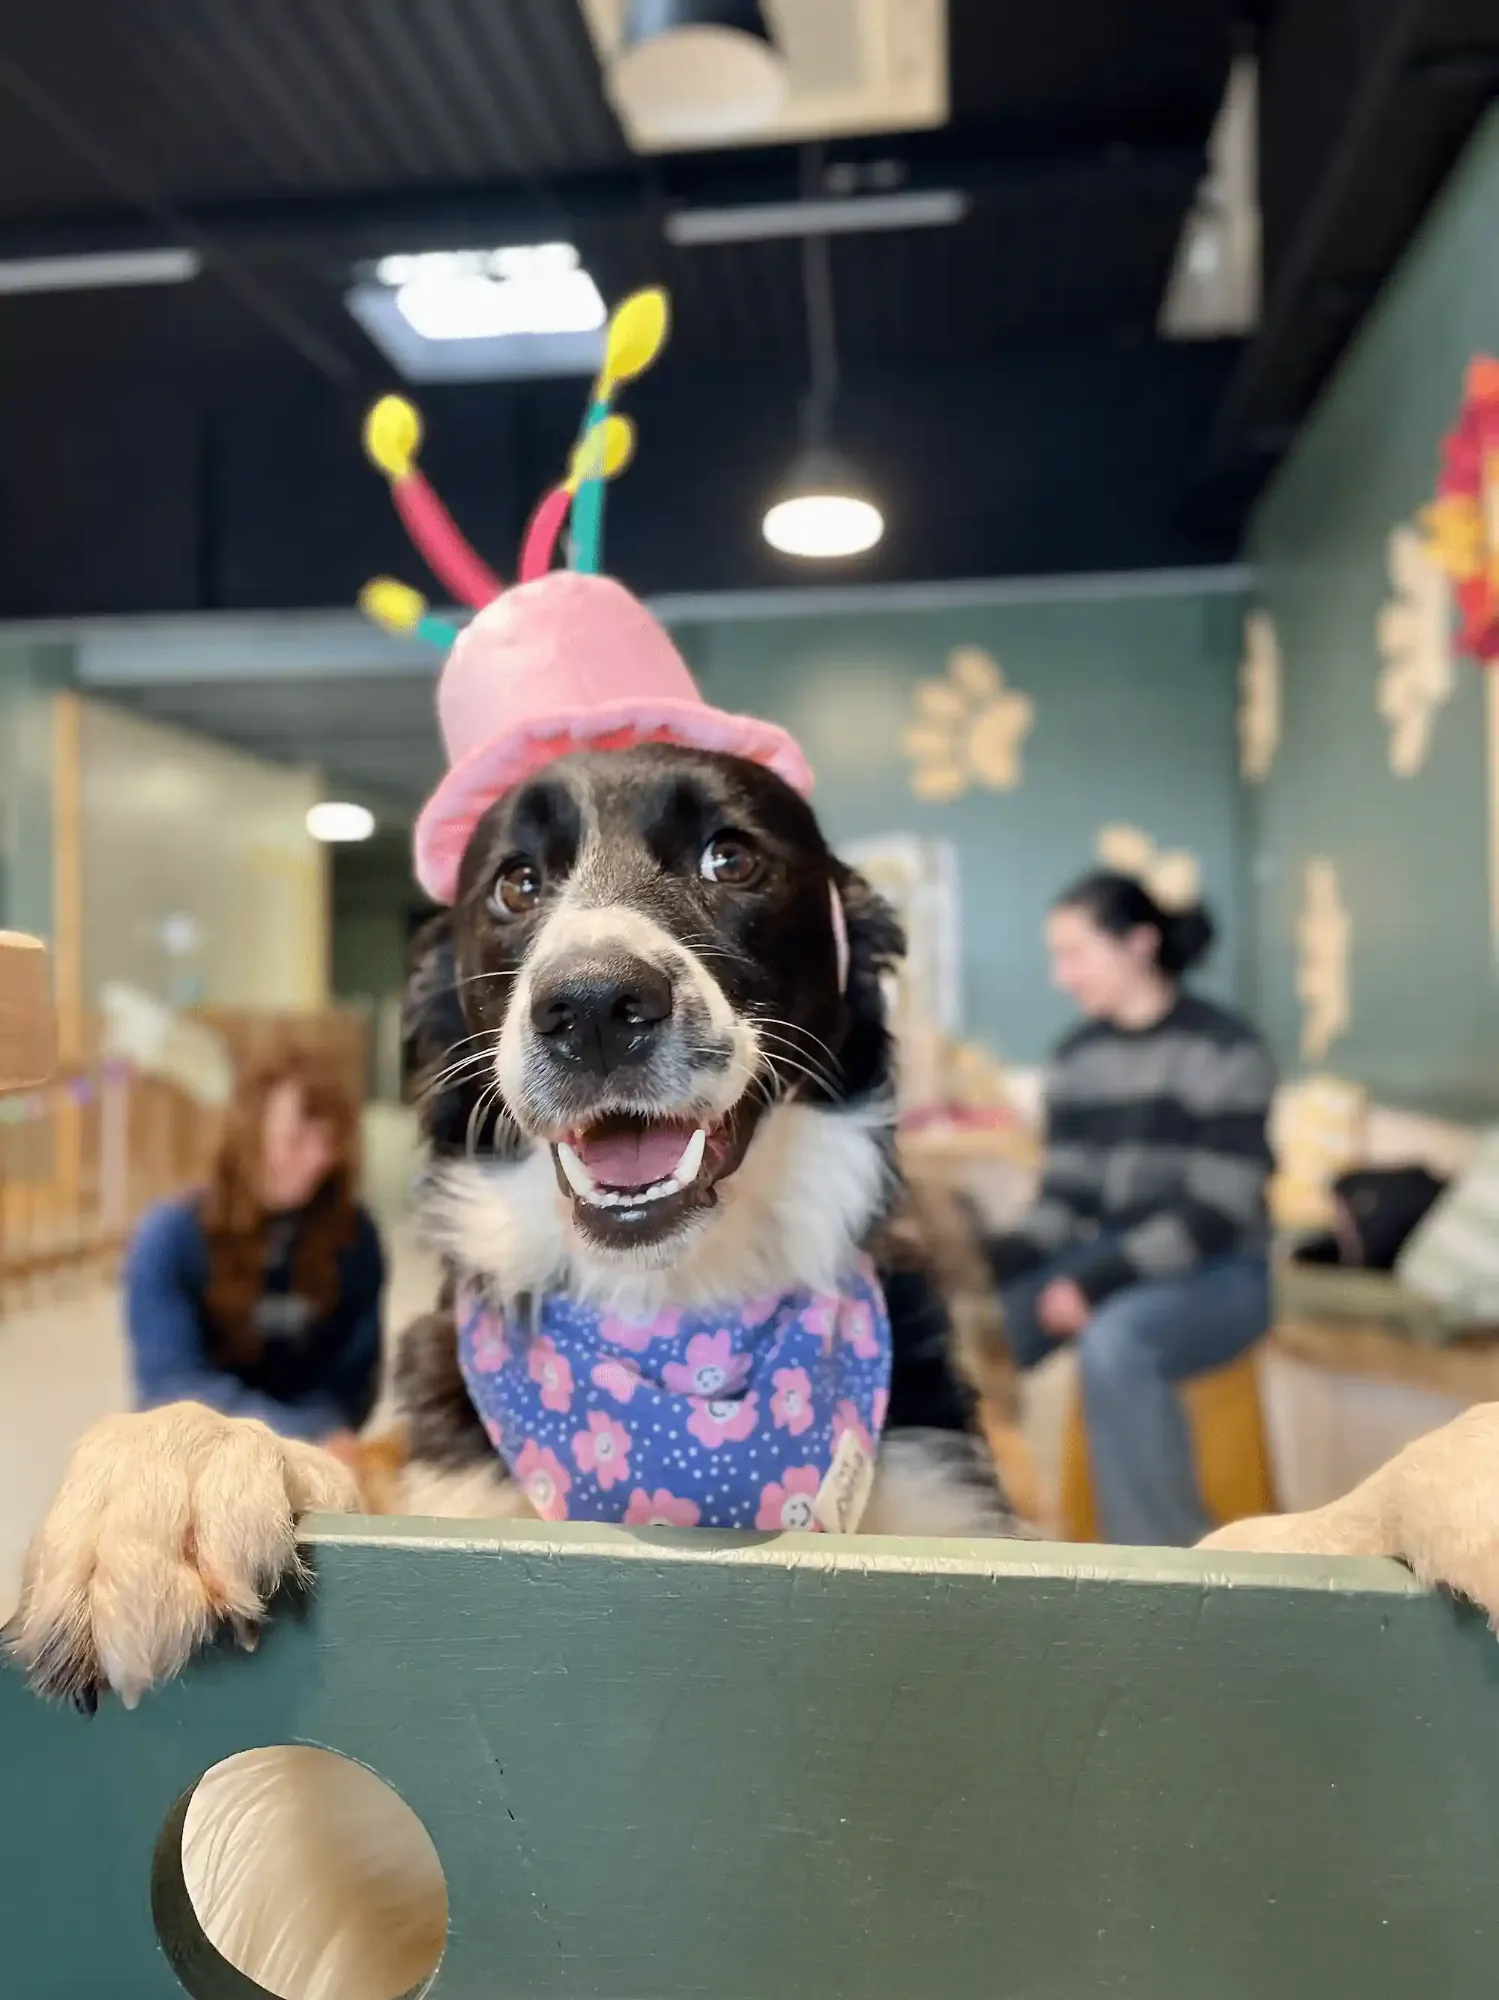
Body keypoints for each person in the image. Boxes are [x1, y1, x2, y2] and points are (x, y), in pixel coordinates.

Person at [987, 870, 1273, 1546]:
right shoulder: (1076, 1058)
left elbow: (1216, 1211)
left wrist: (1094, 1284)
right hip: (1109, 1256)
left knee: (1117, 1340)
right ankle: (976, 1539)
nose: (1060, 976)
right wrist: (979, 1266)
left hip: (1222, 1273)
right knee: (970, 1329)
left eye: (1074, 954)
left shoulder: (1226, 1051)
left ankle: (1169, 1566)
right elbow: (1061, 1206)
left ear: (1139, 944)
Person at [124, 1046, 385, 1454]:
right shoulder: (171, 1235)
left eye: (329, 1142)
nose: (316, 1160)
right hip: (197, 1454)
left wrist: (318, 1431)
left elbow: (351, 1381)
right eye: (296, 1139)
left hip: (312, 1453)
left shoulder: (354, 1237)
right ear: (251, 1132)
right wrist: (288, 1433)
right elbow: (170, 1384)